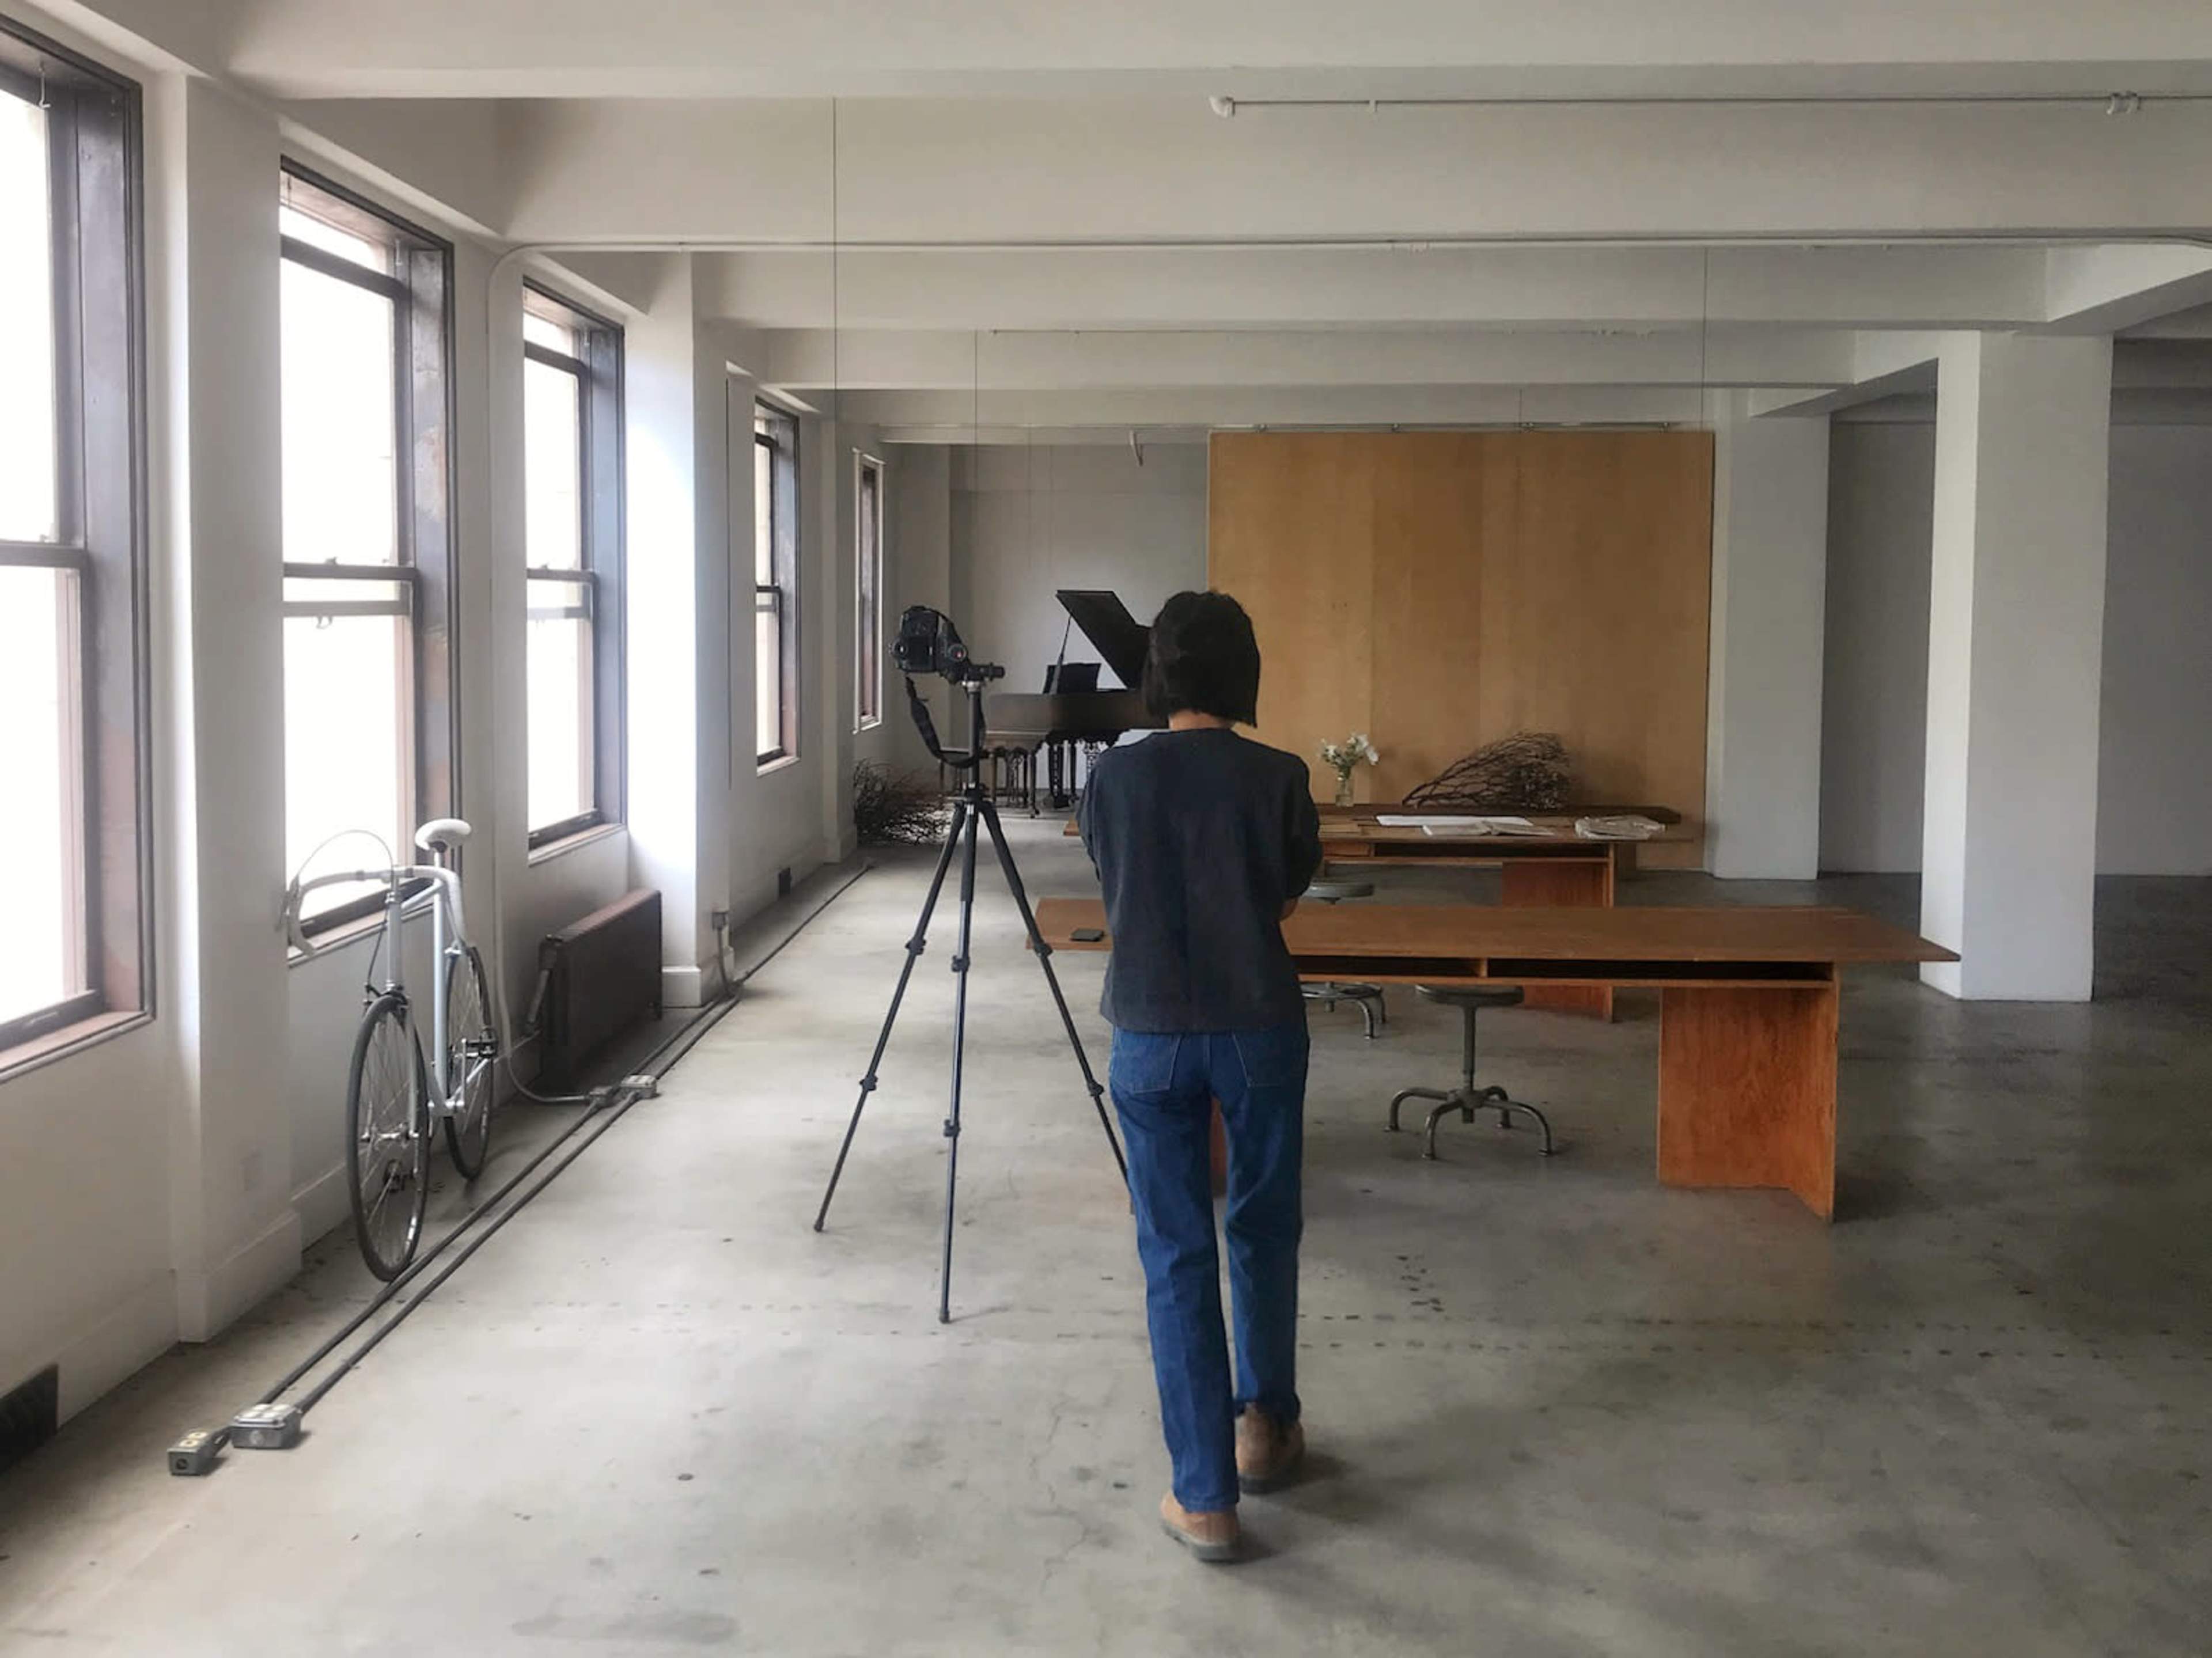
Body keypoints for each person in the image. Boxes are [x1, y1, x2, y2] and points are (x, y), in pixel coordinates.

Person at [1077, 590, 1323, 1562]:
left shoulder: (1112, 779)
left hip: (1148, 1032)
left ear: (1158, 675)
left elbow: (1113, 882)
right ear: (1243, 672)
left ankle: (1204, 1495)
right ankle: (1266, 1429)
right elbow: (1288, 896)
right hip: (1259, 1025)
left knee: (1174, 1250)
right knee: (1262, 1226)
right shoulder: (1280, 776)